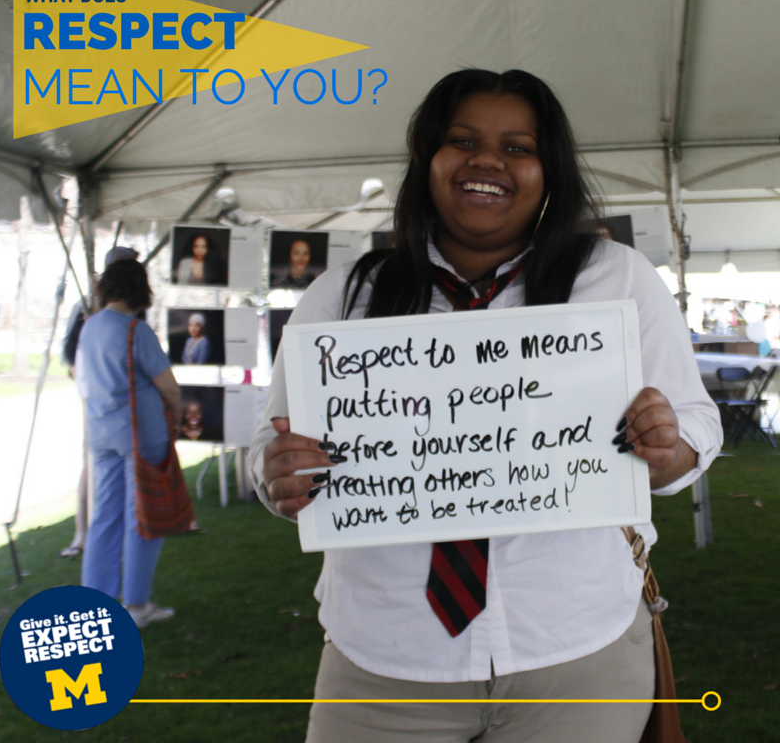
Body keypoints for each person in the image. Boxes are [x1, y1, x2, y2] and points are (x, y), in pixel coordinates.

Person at [247, 69, 723, 743]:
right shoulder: (344, 296)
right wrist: (276, 476)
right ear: (426, 160)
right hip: (384, 661)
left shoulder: (617, 281)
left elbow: (697, 425)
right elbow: (271, 445)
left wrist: (667, 450)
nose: (488, 162)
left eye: (518, 147)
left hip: (576, 651)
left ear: (548, 168)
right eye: (461, 140)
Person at [76, 258, 181, 629]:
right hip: (141, 435)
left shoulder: (89, 328)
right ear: (140, 289)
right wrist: (178, 414)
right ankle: (136, 605)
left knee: (104, 517)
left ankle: (98, 603)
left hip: (101, 433)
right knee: (145, 518)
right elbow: (168, 386)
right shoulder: (136, 331)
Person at [60, 246, 139, 559]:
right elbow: (69, 353)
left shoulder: (134, 311)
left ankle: (118, 533)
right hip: (99, 403)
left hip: (128, 404)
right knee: (92, 463)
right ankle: (82, 534)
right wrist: (93, 385)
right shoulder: (88, 307)